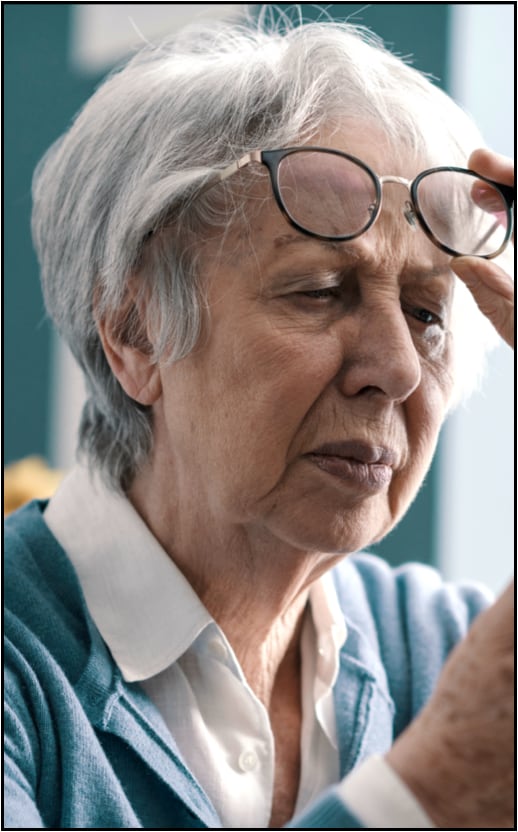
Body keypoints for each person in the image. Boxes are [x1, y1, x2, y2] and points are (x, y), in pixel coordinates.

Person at [4, 15, 514, 830]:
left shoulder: (447, 649)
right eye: (320, 291)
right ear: (135, 334)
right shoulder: (23, 667)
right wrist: (429, 793)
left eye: (426, 313)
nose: (397, 368)